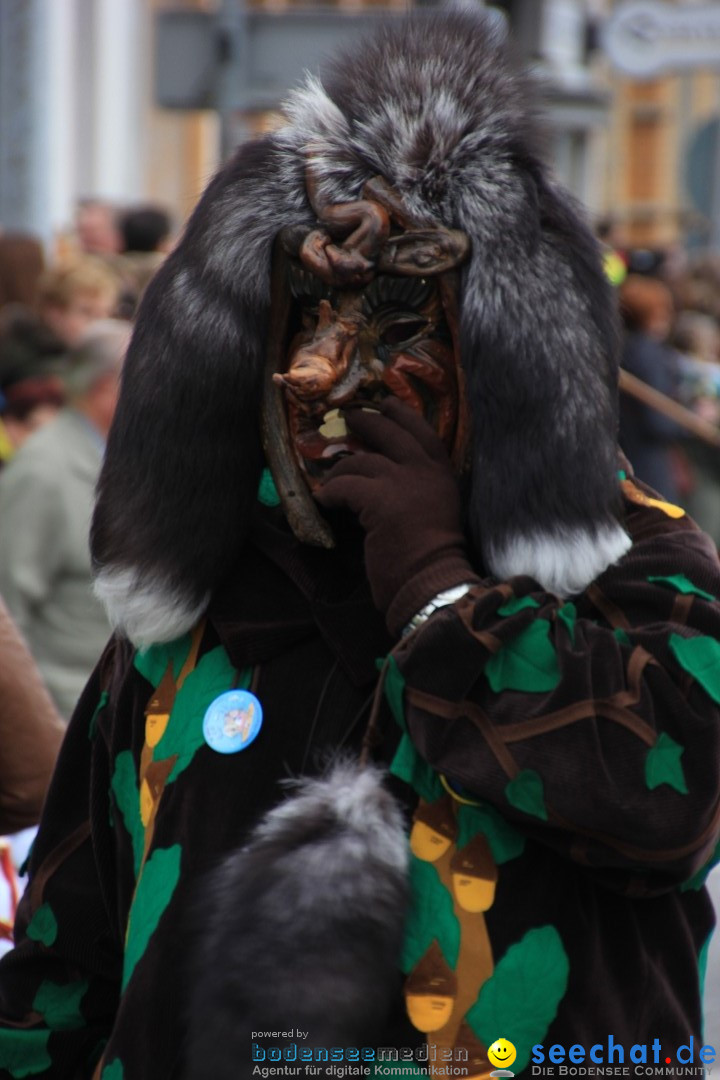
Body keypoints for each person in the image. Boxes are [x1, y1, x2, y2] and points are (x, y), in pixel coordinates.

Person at [1, 14, 720, 1080]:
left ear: (506, 359)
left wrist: (440, 592)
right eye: (300, 328)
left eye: (391, 326)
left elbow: (668, 809)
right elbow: (69, 956)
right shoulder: (204, 599)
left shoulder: (635, 568)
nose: (317, 379)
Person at [0, 320, 129, 718]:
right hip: (63, 712)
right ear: (106, 388)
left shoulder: (118, 455)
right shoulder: (42, 470)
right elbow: (8, 610)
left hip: (111, 703)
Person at [618, 274, 689, 503]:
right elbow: (659, 422)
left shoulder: (623, 350)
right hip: (650, 470)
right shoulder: (648, 355)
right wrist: (692, 416)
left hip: (630, 462)